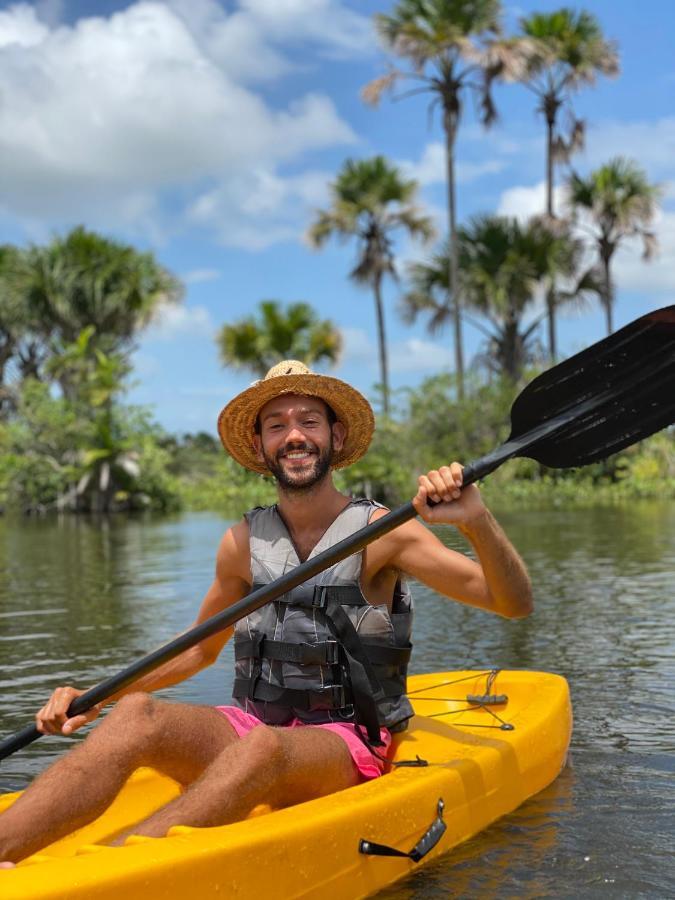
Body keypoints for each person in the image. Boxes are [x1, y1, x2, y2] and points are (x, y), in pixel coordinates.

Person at [0, 360, 532, 867]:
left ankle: (112, 871)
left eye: (308, 422)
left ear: (336, 437)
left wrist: (476, 521)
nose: (294, 435)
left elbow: (511, 603)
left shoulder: (384, 534)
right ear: (259, 445)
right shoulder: (241, 543)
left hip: (348, 739)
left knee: (260, 749)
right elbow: (199, 648)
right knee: (139, 714)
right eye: (277, 425)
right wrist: (95, 699)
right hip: (255, 725)